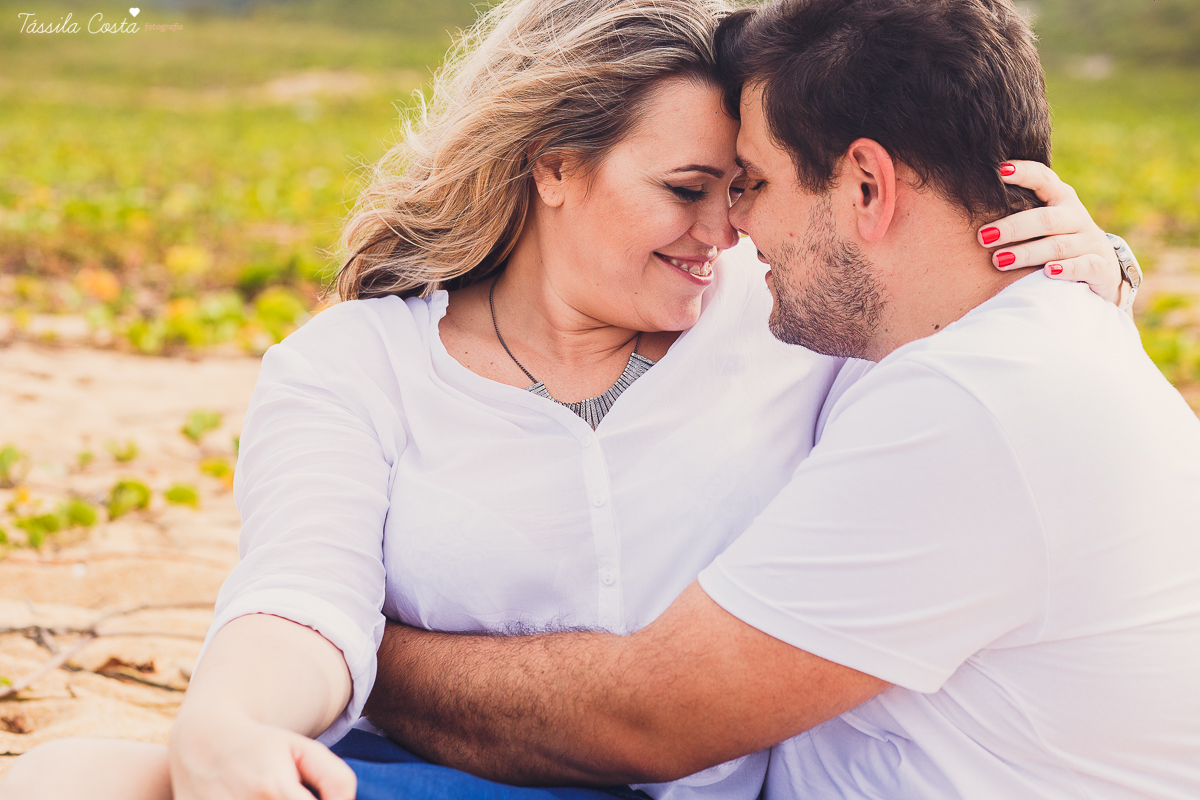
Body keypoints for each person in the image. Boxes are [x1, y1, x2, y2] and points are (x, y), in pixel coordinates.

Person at [0, 1, 1134, 799]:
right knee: (71, 776)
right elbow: (300, 586)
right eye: (689, 189)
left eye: (742, 189)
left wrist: (1088, 270)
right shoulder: (356, 365)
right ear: (553, 165)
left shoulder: (792, 323)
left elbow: (965, 349)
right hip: (460, 773)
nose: (726, 230)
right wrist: (229, 714)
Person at [325, 0, 1200, 799]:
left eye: (754, 182)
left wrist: (357, 651)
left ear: (867, 186)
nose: (737, 227)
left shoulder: (975, 399)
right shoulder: (990, 338)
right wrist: (1108, 270)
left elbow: (647, 721)